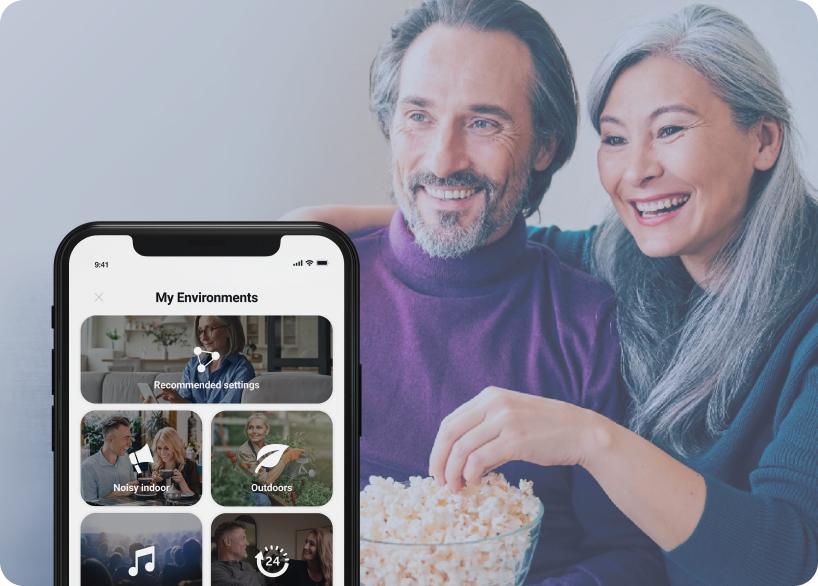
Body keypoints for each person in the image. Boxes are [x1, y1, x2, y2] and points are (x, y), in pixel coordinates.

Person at [285, 0, 666, 583]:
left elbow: (631, 560)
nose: (443, 159)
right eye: (419, 116)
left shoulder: (588, 325)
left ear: (543, 145)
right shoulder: (304, 286)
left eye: (484, 123)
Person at [158, 315, 255, 403]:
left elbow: (221, 413)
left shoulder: (242, 370)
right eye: (200, 331)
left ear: (229, 330)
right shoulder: (192, 365)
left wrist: (181, 403)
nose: (203, 338)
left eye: (210, 329)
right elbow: (183, 405)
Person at [237, 413, 304, 506]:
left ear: (267, 430)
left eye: (258, 427)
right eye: (250, 427)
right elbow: (266, 481)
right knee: (262, 500)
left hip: (264, 490)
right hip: (248, 492)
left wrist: (288, 452)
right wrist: (286, 457)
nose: (254, 431)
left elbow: (276, 470)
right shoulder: (245, 451)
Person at [80, 415, 138, 501]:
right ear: (110, 439)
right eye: (126, 438)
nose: (130, 444)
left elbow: (133, 490)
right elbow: (89, 505)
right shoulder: (88, 467)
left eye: (130, 438)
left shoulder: (126, 458)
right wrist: (117, 494)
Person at [150, 427, 201, 498]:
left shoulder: (190, 466)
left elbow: (196, 497)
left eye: (166, 448)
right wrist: (154, 483)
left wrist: (182, 482)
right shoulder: (156, 466)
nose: (162, 452)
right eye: (159, 448)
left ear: (175, 447)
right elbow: (153, 496)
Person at [211, 522, 265, 586]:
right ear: (228, 542)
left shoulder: (247, 566)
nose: (247, 543)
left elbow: (262, 580)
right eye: (243, 538)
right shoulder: (215, 570)